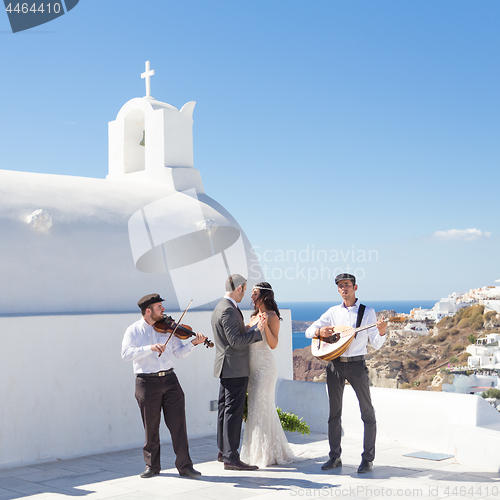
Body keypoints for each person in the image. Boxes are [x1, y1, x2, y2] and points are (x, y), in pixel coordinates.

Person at [305, 273, 387, 474]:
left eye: (347, 285)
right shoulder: (332, 312)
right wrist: (320, 332)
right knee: (334, 412)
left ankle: (367, 459)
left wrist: (382, 331)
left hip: (356, 365)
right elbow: (309, 331)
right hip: (335, 364)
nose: (344, 288)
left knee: (367, 411)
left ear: (355, 287)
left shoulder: (367, 312)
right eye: (340, 286)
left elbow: (375, 343)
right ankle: (334, 457)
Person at [121, 293, 207, 479]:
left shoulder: (168, 329)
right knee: (150, 426)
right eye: (160, 307)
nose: (163, 310)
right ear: (148, 311)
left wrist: (193, 343)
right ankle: (152, 466)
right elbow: (126, 354)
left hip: (170, 380)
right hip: (146, 382)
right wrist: (149, 349)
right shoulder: (133, 330)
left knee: (178, 426)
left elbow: (179, 353)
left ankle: (185, 466)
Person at [212, 274, 266, 471]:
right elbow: (235, 341)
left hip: (226, 366)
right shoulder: (228, 310)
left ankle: (223, 451)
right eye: (245, 289)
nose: (245, 293)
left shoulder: (221, 307)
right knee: (232, 413)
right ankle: (231, 458)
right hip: (234, 367)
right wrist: (257, 332)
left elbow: (232, 334)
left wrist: (249, 326)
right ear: (240, 288)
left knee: (224, 410)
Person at [240, 282, 296, 468]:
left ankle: (265, 454)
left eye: (255, 294)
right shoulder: (253, 316)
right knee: (255, 408)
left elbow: (273, 344)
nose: (252, 297)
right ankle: (256, 451)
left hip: (265, 368)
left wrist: (263, 328)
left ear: (264, 296)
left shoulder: (272, 317)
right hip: (252, 368)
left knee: (261, 407)